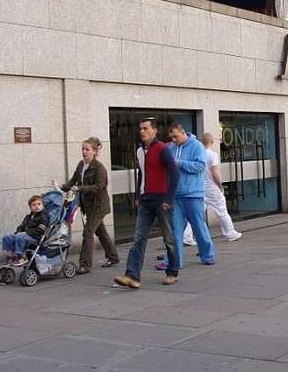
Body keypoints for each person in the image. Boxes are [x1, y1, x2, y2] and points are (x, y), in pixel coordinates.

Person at [115, 118, 180, 288]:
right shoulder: (139, 151)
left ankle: (172, 271)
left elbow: (175, 174)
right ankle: (132, 276)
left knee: (169, 239)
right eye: (140, 128)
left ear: (154, 131)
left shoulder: (162, 149)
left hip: (161, 200)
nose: (142, 131)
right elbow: (141, 175)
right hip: (145, 200)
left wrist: (168, 198)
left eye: (145, 128)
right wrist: (137, 195)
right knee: (138, 238)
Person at [60, 137, 119, 274]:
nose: (84, 152)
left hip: (99, 206)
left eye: (87, 149)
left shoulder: (99, 168)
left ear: (94, 152)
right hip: (88, 205)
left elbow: (99, 187)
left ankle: (85, 265)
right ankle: (113, 257)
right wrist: (62, 187)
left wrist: (80, 189)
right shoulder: (81, 165)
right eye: (83, 149)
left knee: (88, 232)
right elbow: (73, 181)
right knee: (101, 231)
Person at [166, 124, 216, 269]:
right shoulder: (171, 148)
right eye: (171, 137)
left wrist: (179, 163)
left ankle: (207, 255)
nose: (174, 140)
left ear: (183, 133)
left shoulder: (197, 146)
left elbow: (200, 166)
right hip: (176, 195)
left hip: (193, 194)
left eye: (176, 136)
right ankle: (176, 261)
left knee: (199, 226)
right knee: (175, 230)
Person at [201, 133, 242, 242]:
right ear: (212, 142)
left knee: (197, 213)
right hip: (212, 188)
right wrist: (220, 186)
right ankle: (230, 233)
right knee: (222, 211)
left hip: (200, 187)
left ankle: (187, 235)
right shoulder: (212, 155)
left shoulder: (198, 154)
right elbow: (215, 173)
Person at [1, 195, 48, 266]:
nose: (37, 206)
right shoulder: (28, 217)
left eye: (39, 204)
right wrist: (18, 231)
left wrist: (25, 233)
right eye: (34, 205)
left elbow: (40, 230)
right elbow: (21, 226)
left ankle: (22, 257)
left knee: (20, 236)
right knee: (7, 236)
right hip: (24, 236)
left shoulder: (43, 217)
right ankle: (11, 256)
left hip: (35, 238)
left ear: (43, 206)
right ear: (30, 207)